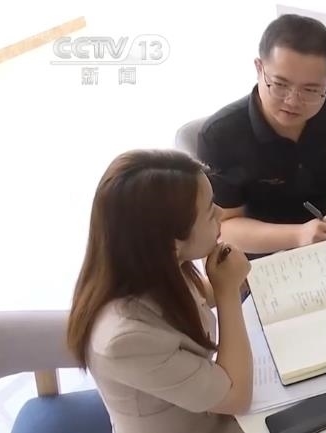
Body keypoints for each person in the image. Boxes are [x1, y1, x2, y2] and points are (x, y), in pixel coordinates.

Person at [67, 150, 253, 433]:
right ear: (171, 241)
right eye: (209, 210)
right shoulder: (126, 339)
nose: (220, 213)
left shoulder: (147, 267)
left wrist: (239, 279)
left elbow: (193, 298)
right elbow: (237, 396)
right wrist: (228, 293)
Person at [198, 15, 326, 256]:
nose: (293, 101)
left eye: (310, 89)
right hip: (267, 253)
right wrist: (299, 235)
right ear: (259, 68)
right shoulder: (221, 135)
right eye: (280, 85)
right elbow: (225, 226)